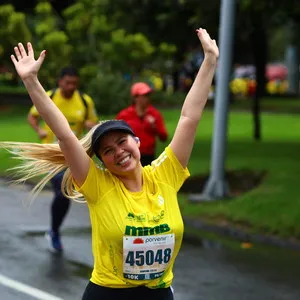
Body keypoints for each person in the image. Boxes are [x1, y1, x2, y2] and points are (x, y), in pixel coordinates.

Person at [2, 28, 218, 299]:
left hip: (158, 294)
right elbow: (66, 135)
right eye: (107, 150)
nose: (118, 151)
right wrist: (32, 81)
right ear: (101, 161)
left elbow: (189, 116)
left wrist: (210, 60)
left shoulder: (165, 175)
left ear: (137, 142)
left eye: (122, 141)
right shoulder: (99, 185)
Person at [27, 66, 99, 252]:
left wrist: (91, 125)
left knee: (70, 194)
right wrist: (40, 130)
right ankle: (54, 232)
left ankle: (54, 230)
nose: (71, 86)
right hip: (52, 155)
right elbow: (32, 116)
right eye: (68, 83)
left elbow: (92, 122)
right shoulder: (49, 96)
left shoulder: (84, 101)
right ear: (60, 82)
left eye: (75, 83)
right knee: (63, 190)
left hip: (74, 155)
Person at [116, 82, 168, 166]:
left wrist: (154, 127)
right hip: (129, 155)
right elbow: (115, 136)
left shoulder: (154, 114)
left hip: (149, 156)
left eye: (148, 95)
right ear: (135, 98)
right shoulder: (124, 115)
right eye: (144, 95)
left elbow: (164, 137)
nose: (147, 98)